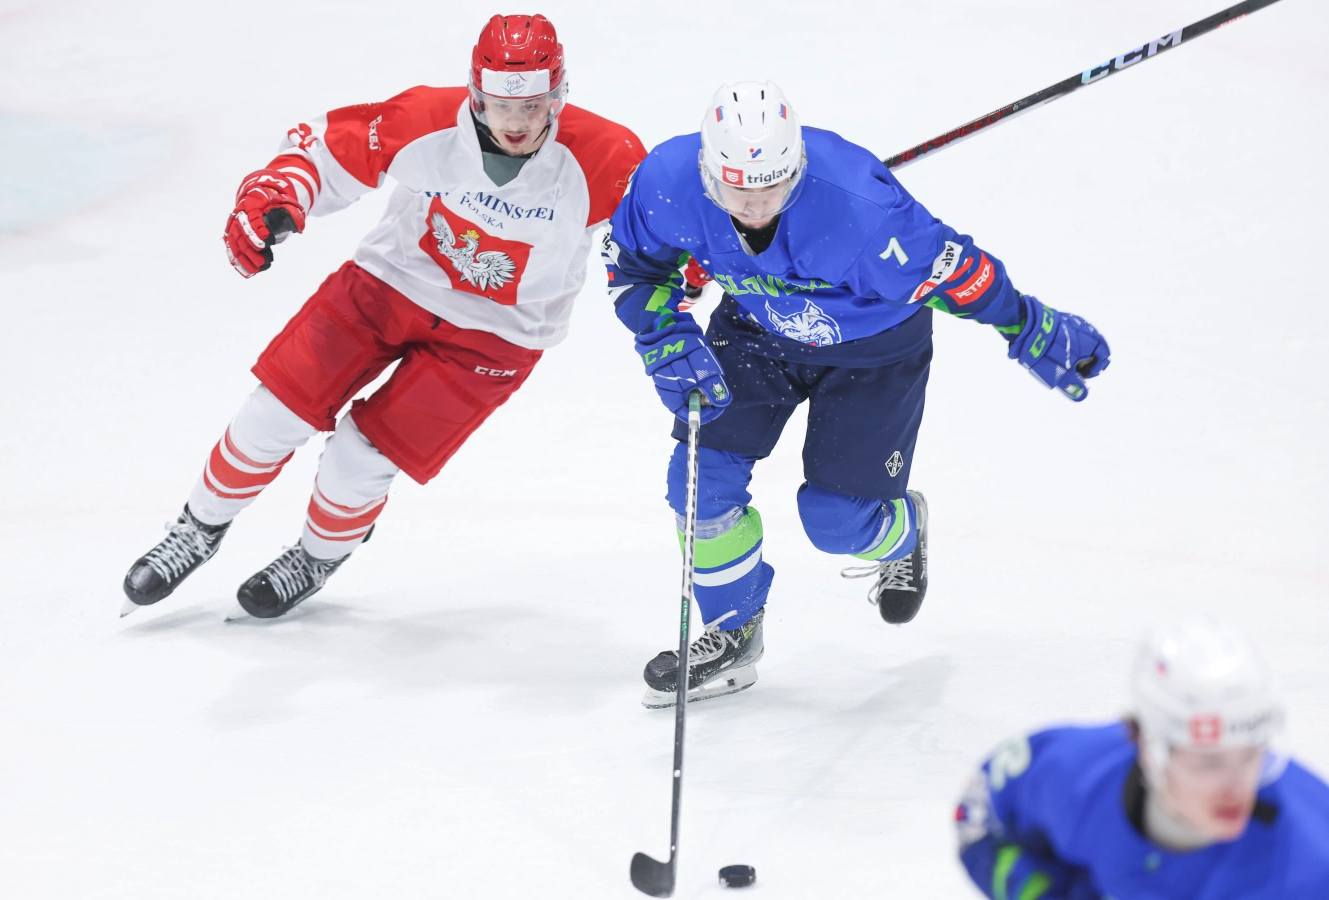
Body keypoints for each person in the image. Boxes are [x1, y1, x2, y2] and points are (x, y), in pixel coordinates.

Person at [603, 81, 1110, 707]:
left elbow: (959, 273)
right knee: (698, 484)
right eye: (737, 190)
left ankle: (904, 531)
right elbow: (634, 265)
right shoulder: (668, 181)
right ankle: (732, 630)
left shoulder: (865, 213)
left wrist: (1027, 322)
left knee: (837, 522)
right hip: (756, 330)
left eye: (773, 188)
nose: (755, 207)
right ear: (708, 174)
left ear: (798, 167)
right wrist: (662, 335)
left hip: (873, 352)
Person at [122, 14, 644, 619]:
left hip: (498, 336)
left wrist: (690, 269)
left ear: (558, 95)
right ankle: (197, 528)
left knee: (360, 458)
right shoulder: (429, 120)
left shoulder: (607, 157)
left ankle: (317, 557)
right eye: (501, 105)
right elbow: (328, 150)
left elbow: (663, 230)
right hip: (387, 285)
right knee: (274, 411)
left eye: (531, 105)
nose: (516, 123)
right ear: (476, 95)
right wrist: (276, 194)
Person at [955, 618, 1329, 899]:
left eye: (1252, 755)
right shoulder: (1070, 772)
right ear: (1150, 750)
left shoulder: (1313, 860)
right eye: (1210, 763)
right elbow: (976, 818)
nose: (1239, 785)